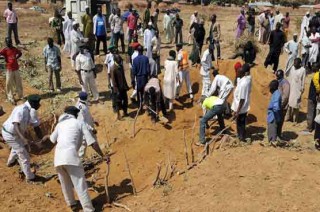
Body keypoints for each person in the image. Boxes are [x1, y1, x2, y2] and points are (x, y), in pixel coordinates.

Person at [49, 106, 107, 212]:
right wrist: (103, 156)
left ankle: (72, 204)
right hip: (71, 156)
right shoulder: (79, 123)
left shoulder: (60, 125)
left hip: (58, 158)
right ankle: (89, 209)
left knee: (65, 183)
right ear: (75, 115)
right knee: (80, 184)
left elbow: (51, 140)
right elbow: (92, 142)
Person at [2, 95, 43, 182]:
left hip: (16, 134)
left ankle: (10, 162)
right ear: (33, 103)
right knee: (24, 156)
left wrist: (42, 140)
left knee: (17, 147)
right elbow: (16, 124)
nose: (39, 105)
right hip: (10, 134)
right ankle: (30, 177)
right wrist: (23, 138)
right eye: (38, 103)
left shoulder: (30, 110)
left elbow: (36, 127)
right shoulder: (21, 109)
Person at [231, 64, 252, 142]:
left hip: (241, 107)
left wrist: (237, 111)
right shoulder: (244, 79)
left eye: (238, 73)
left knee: (241, 123)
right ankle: (240, 135)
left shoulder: (243, 84)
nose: (237, 74)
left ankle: (241, 137)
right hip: (240, 106)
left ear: (242, 73)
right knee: (239, 122)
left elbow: (242, 99)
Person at [0, 37, 23, 105]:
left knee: (18, 82)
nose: (9, 43)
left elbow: (20, 53)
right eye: (8, 42)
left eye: (10, 42)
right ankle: (10, 97)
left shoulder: (14, 49)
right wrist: (4, 58)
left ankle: (21, 96)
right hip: (9, 69)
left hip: (16, 68)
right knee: (8, 83)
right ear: (6, 43)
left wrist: (16, 58)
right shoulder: (5, 50)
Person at [75, 92, 97, 159]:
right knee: (83, 144)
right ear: (86, 98)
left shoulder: (84, 104)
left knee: (94, 141)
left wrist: (93, 121)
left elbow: (88, 116)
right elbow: (81, 121)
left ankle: (99, 153)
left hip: (89, 127)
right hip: (84, 129)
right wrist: (91, 128)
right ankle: (81, 160)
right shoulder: (81, 107)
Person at [285, 58, 306, 124]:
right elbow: (287, 74)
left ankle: (295, 119)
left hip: (297, 89)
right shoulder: (292, 68)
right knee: (288, 104)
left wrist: (302, 89)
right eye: (294, 63)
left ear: (299, 63)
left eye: (296, 63)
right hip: (290, 87)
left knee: (296, 105)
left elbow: (303, 80)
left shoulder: (303, 70)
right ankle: (287, 117)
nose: (294, 64)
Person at [110, 54, 129, 120]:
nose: (120, 60)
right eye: (119, 59)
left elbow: (123, 77)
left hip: (123, 87)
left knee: (126, 100)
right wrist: (116, 90)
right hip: (118, 89)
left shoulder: (120, 66)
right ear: (115, 60)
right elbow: (113, 81)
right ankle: (118, 115)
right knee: (118, 102)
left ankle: (125, 112)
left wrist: (126, 86)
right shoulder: (113, 68)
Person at [275, 70, 290, 138]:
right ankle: (276, 134)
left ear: (282, 75)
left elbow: (285, 96)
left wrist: (280, 105)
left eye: (278, 76)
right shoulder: (278, 81)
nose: (277, 77)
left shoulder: (285, 83)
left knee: (280, 121)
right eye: (276, 76)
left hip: (282, 106)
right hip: (277, 105)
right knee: (276, 120)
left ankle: (278, 134)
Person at [305, 63, 320, 133]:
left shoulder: (316, 76)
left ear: (317, 68)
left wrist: (317, 94)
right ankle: (313, 126)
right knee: (314, 111)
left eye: (313, 67)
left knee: (310, 112)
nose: (312, 68)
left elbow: (318, 87)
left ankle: (309, 128)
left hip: (312, 96)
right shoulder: (318, 74)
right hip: (315, 96)